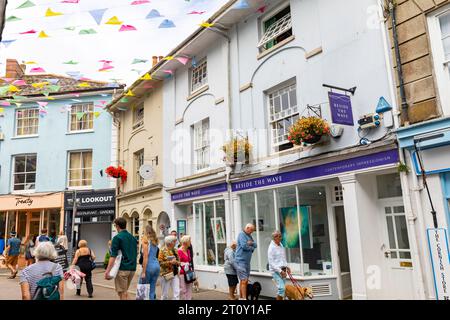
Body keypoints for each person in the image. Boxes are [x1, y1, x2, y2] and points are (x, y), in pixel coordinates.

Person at [105, 217, 138, 300]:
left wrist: (107, 271)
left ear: (117, 226)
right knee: (123, 292)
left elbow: (113, 256)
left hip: (123, 268)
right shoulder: (133, 238)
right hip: (132, 268)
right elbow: (135, 253)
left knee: (123, 293)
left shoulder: (117, 238)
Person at [235, 223, 257, 300]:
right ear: (247, 228)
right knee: (244, 280)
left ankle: (241, 297)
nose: (252, 232)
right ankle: (244, 298)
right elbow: (244, 246)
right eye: (251, 230)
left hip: (247, 262)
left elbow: (255, 245)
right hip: (240, 261)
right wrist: (251, 247)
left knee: (244, 281)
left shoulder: (249, 236)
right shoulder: (241, 234)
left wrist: (251, 243)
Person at [139, 225, 160, 300]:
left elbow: (145, 257)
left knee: (143, 289)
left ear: (145, 232)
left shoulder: (145, 242)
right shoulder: (155, 242)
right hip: (156, 266)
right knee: (152, 289)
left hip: (149, 267)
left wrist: (143, 272)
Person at [268, 230, 290, 300]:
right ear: (275, 237)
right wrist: (280, 271)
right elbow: (271, 263)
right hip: (275, 271)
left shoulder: (281, 245)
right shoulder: (271, 248)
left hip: (283, 269)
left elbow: (283, 257)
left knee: (282, 291)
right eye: (280, 236)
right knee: (282, 288)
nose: (281, 238)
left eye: (281, 236)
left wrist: (287, 267)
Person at [158, 235, 181, 300]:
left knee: (177, 292)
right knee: (164, 294)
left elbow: (179, 260)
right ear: (170, 242)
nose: (175, 242)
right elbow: (160, 263)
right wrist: (170, 262)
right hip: (166, 274)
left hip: (175, 273)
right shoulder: (162, 250)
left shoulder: (175, 250)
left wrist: (178, 262)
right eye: (174, 241)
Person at [178, 235, 194, 300]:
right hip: (182, 271)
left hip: (189, 271)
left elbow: (190, 261)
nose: (190, 242)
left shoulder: (188, 250)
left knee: (189, 287)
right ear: (186, 242)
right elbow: (178, 262)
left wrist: (192, 270)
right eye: (189, 241)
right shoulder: (179, 251)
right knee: (183, 289)